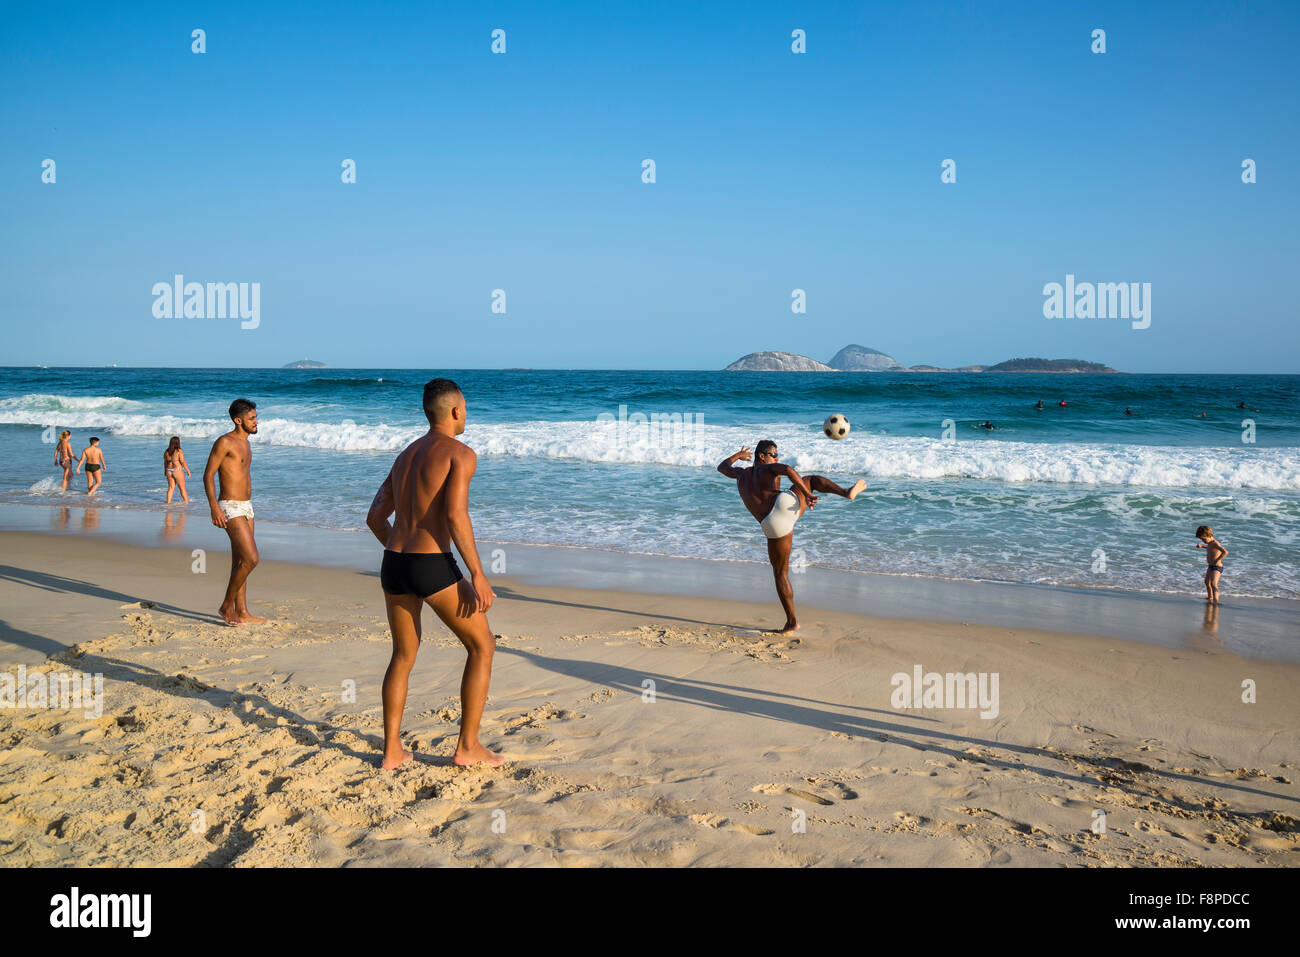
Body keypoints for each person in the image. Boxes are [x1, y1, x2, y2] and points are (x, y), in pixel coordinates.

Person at [366, 378, 503, 770]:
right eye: (466, 407)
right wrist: (477, 574)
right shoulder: (460, 454)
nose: (467, 413)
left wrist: (403, 555)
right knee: (483, 646)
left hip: (394, 563)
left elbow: (375, 517)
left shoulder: (405, 456)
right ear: (456, 410)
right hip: (431, 566)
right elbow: (455, 515)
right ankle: (468, 747)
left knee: (403, 655)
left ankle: (392, 751)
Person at [718, 440, 866, 633]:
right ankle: (846, 492)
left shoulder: (741, 475)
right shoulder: (767, 469)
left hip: (769, 525)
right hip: (782, 506)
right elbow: (788, 469)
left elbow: (722, 467)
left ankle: (792, 622)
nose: (777, 458)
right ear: (761, 456)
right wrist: (807, 494)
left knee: (780, 574)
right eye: (774, 455)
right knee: (811, 480)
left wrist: (737, 455)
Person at [204, 399, 265, 626]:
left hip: (247, 506)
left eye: (256, 417)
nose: (256, 422)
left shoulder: (247, 443)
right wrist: (214, 508)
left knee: (240, 561)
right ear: (238, 420)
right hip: (229, 506)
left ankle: (243, 611)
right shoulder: (224, 442)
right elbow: (208, 475)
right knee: (251, 559)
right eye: (251, 419)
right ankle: (226, 605)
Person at [1195, 525, 1227, 605]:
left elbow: (1225, 552)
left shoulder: (1215, 543)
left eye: (1204, 539)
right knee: (1206, 582)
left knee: (1213, 583)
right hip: (1211, 566)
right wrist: (1202, 546)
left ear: (1210, 536)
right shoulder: (1210, 543)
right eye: (1201, 539)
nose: (1203, 541)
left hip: (1217, 567)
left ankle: (1215, 601)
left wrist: (1217, 560)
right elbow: (1209, 548)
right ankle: (1210, 597)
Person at [164, 436, 192, 503]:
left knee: (171, 488)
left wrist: (165, 471)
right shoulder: (179, 451)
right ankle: (186, 502)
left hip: (169, 470)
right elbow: (182, 461)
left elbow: (165, 462)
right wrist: (188, 471)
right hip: (177, 470)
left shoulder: (167, 451)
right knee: (182, 488)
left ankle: (168, 503)